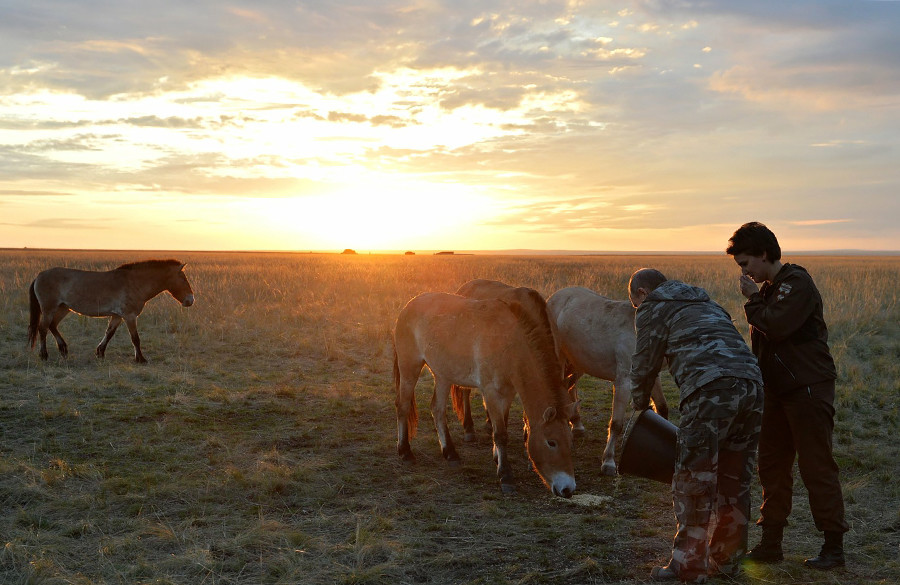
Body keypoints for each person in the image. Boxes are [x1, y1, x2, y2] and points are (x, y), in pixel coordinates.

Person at [627, 268, 763, 583]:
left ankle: (686, 566)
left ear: (643, 294)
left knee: (693, 480)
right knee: (735, 479)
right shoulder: (708, 302)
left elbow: (644, 365)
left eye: (635, 303)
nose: (637, 309)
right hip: (753, 386)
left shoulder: (653, 307)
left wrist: (639, 409)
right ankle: (727, 563)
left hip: (710, 391)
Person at [726, 222, 848, 570]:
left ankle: (834, 548)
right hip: (777, 392)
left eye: (746, 262)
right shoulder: (773, 288)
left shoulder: (796, 284)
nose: (744, 271)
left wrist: (752, 298)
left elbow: (776, 326)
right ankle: (770, 544)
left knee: (816, 466)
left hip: (807, 389)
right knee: (772, 467)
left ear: (765, 255)